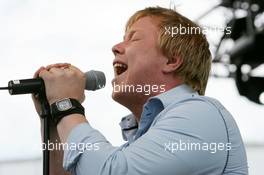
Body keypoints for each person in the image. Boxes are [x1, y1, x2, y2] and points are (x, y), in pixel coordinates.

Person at [33, 7, 248, 175]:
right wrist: (53, 115)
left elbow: (110, 172)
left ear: (171, 60)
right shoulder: (145, 142)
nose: (116, 47)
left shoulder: (201, 114)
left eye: (133, 38)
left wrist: (66, 104)